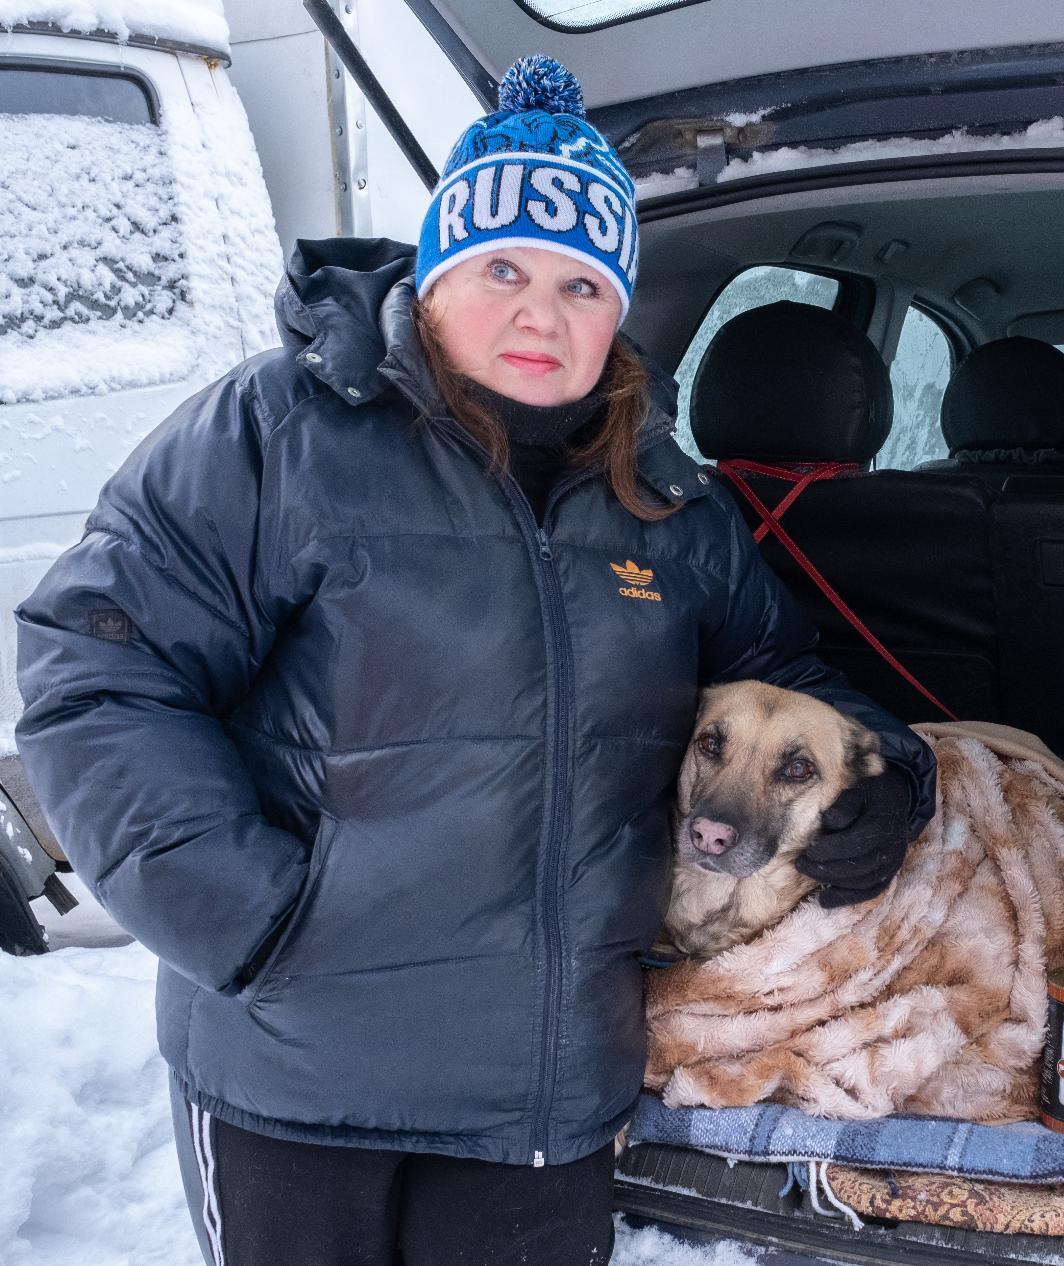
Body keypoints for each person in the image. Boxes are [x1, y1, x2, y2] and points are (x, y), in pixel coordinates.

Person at [13, 56, 935, 1266]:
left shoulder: (668, 502)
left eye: (579, 284)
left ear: (619, 310)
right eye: (501, 269)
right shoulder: (278, 434)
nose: (539, 316)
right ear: (438, 269)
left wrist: (891, 777)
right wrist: (247, 921)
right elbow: (97, 668)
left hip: (542, 1095)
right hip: (298, 1073)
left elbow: (788, 673)